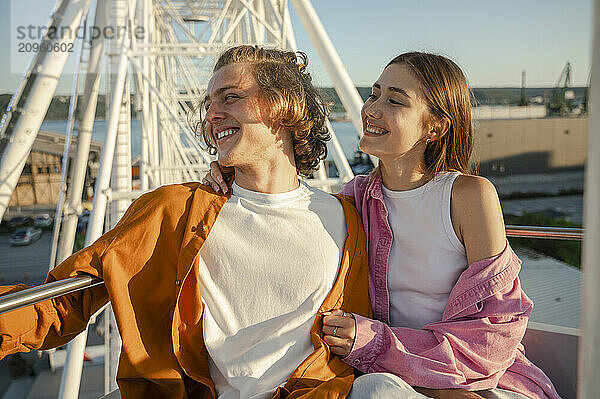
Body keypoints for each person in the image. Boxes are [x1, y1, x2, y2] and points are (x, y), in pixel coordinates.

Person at [0, 45, 373, 399]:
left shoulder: (347, 219)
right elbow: (63, 301)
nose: (212, 114)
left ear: (285, 106)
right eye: (208, 105)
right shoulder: (174, 211)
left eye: (230, 97)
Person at [204, 52, 561, 399]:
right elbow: (286, 211)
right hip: (395, 380)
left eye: (395, 100)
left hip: (483, 381)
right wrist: (235, 171)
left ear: (435, 127)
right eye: (374, 94)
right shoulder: (355, 199)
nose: (372, 109)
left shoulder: (468, 196)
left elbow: (494, 336)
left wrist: (376, 343)